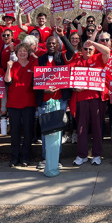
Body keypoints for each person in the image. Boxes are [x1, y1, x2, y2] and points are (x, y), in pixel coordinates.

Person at [36, 28, 75, 176]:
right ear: (46, 45)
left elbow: (72, 51)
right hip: (45, 100)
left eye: (54, 43)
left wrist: (62, 36)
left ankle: (56, 158)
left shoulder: (62, 57)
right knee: (46, 130)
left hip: (59, 100)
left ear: (58, 46)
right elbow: (37, 80)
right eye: (49, 43)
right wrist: (44, 91)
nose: (51, 45)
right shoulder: (40, 59)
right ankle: (46, 158)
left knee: (57, 131)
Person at [70, 39, 110, 166]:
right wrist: (74, 88)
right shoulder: (76, 62)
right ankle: (82, 155)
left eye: (90, 49)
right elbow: (70, 79)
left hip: (96, 99)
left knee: (97, 128)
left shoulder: (98, 59)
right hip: (81, 99)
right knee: (81, 128)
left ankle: (97, 154)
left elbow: (107, 51)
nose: (88, 51)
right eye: (85, 49)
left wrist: (92, 43)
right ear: (81, 51)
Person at [4, 43, 36, 167]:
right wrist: (8, 68)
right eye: (20, 51)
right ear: (16, 53)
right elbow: (7, 81)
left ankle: (26, 157)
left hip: (28, 103)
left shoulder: (33, 64)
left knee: (28, 131)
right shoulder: (13, 65)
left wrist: (34, 55)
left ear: (28, 53)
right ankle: (14, 157)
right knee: (15, 132)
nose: (22, 53)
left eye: (25, 51)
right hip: (13, 104)